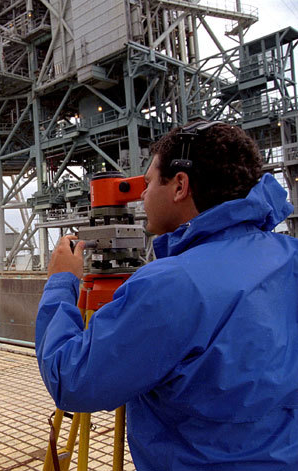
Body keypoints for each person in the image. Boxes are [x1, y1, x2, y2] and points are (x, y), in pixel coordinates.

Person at [36, 121, 298, 470]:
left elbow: (72, 380)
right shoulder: (289, 256)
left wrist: (60, 282)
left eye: (147, 183)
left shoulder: (169, 285)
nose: (141, 196)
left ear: (179, 186)